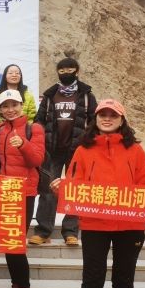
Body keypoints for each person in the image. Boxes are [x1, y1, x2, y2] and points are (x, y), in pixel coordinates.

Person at [50, 100, 145, 288]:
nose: (107, 118)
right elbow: (74, 185)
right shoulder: (83, 150)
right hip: (95, 225)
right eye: (103, 114)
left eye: (113, 115)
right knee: (92, 280)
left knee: (124, 280)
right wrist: (61, 188)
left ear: (122, 120)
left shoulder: (135, 150)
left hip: (130, 226)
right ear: (95, 118)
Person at [30, 57, 97, 246]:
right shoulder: (50, 95)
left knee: (74, 190)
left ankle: (71, 231)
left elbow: (94, 121)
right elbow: (39, 120)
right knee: (48, 189)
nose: (66, 73)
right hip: (52, 150)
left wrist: (87, 141)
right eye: (62, 70)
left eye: (69, 69)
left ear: (77, 71)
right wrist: (41, 139)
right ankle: (43, 232)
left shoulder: (86, 95)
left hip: (77, 150)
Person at [0, 89, 45, 288]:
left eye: (14, 104)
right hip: (5, 192)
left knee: (16, 245)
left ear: (22, 105)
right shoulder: (0, 129)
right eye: (5, 106)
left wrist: (23, 144)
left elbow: (37, 159)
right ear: (0, 109)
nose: (10, 109)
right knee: (9, 244)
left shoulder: (34, 129)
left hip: (25, 192)